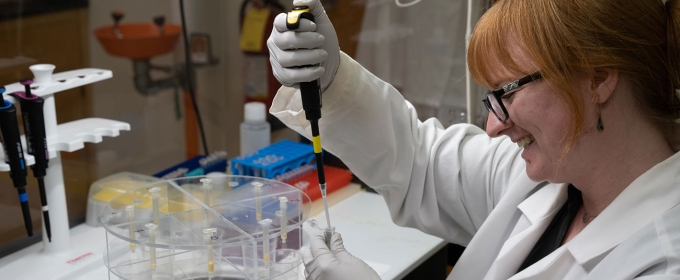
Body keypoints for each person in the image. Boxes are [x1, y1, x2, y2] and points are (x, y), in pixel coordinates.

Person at [267, 0, 680, 279]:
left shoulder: (662, 262)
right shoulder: (544, 177)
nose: (493, 126)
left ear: (599, 78)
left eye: (509, 92)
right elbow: (418, 162)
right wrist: (330, 78)